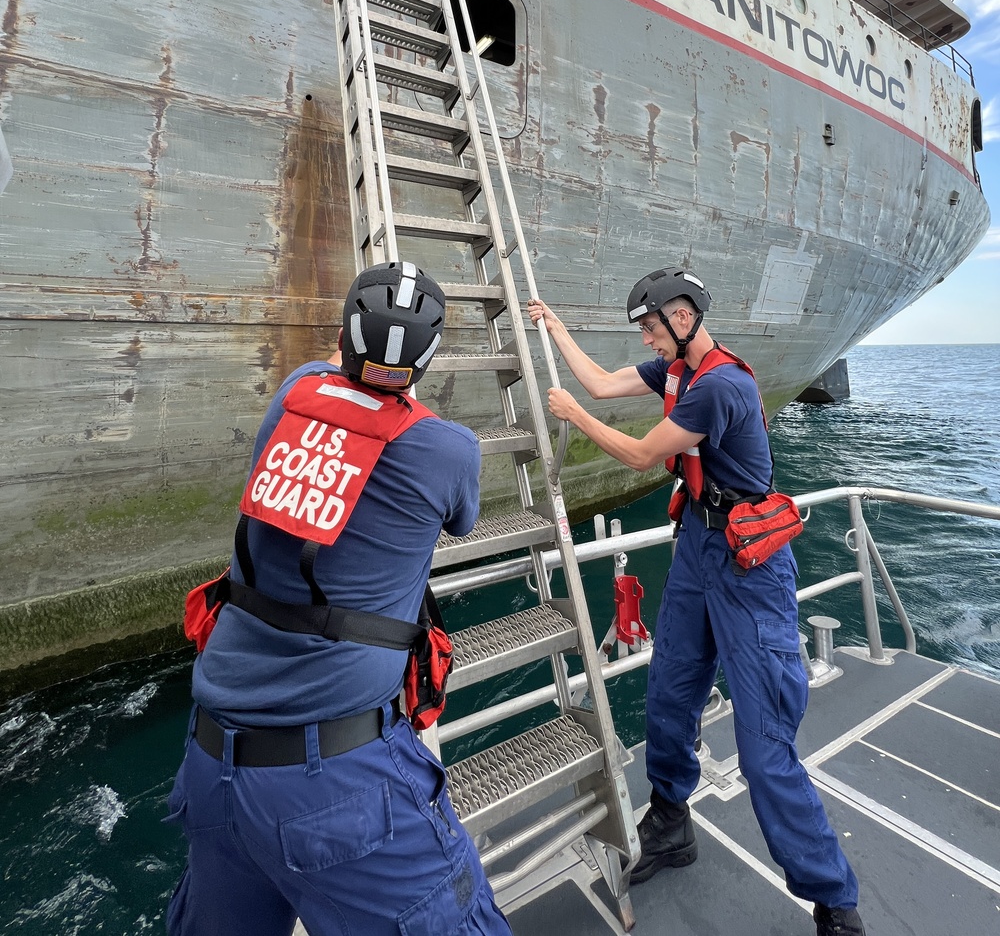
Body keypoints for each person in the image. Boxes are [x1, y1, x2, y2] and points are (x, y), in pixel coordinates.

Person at [166, 261, 512, 936]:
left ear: (344, 338)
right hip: (336, 786)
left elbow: (331, 373)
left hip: (213, 763)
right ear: (429, 356)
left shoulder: (293, 394)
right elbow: (460, 519)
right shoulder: (449, 450)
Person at [527, 267, 866, 936]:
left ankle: (836, 901)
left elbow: (639, 454)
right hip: (698, 550)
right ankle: (671, 821)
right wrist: (555, 326)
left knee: (764, 744)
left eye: (653, 328)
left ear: (682, 318)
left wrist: (573, 415)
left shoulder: (719, 387)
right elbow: (599, 379)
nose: (649, 342)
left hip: (749, 568)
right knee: (669, 691)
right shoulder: (677, 371)